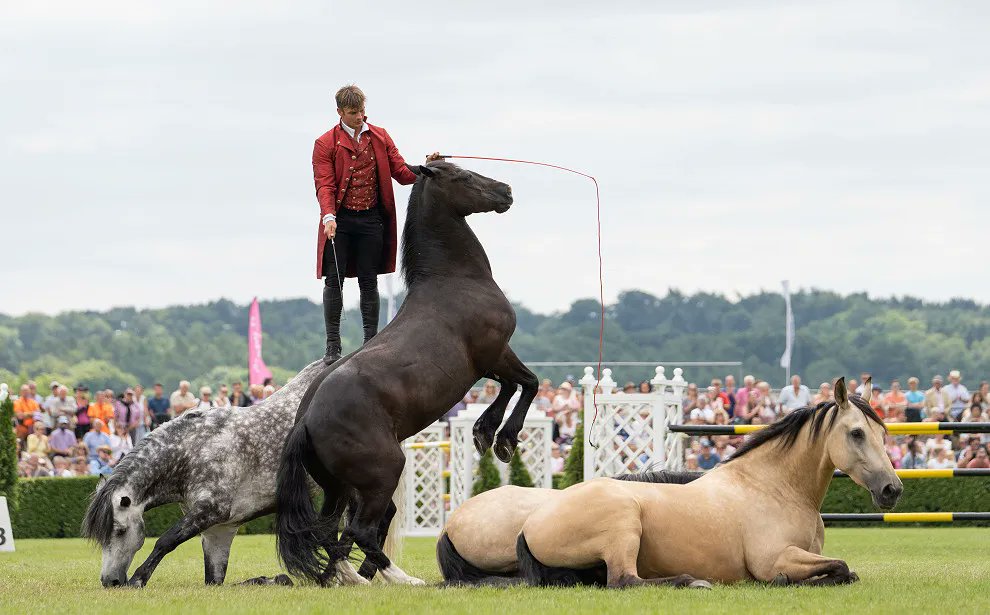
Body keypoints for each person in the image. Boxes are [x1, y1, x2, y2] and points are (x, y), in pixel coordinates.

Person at [313, 84, 440, 364]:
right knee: (334, 281)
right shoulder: (325, 143)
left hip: (371, 219)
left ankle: (371, 341)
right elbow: (324, 184)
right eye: (353, 113)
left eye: (362, 111)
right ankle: (332, 346)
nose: (360, 117)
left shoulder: (380, 137)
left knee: (369, 282)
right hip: (341, 219)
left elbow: (402, 172)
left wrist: (428, 167)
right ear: (339, 113)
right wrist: (329, 216)